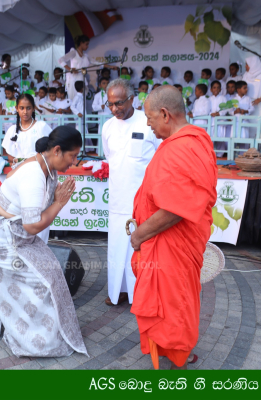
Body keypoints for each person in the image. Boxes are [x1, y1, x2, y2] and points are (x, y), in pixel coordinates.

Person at [0, 126, 87, 358]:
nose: (74, 162)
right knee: (41, 281)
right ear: (56, 150)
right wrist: (59, 203)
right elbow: (32, 226)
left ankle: (29, 328)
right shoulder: (35, 174)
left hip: (11, 232)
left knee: (52, 270)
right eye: (72, 156)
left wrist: (54, 200)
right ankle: (36, 340)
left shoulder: (45, 165)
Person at [131, 85, 217, 370]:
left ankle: (177, 359)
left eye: (150, 117)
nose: (148, 123)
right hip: (166, 243)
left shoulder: (184, 147)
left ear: (165, 114)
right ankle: (171, 349)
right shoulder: (194, 141)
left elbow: (176, 209)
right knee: (173, 301)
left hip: (170, 243)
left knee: (175, 302)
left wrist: (140, 235)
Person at [101, 78, 160, 306]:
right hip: (117, 199)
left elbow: (159, 157)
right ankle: (118, 291)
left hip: (143, 199)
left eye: (119, 103)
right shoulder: (107, 127)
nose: (115, 109)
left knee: (140, 248)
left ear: (132, 99)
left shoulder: (148, 124)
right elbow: (111, 158)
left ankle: (140, 295)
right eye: (110, 104)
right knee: (117, 247)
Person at [2, 94, 52, 172]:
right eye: (22, 108)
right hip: (18, 171)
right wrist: (19, 160)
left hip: (38, 170)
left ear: (33, 108)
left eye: (28, 108)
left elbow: (51, 150)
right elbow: (9, 156)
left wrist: (31, 161)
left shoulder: (41, 126)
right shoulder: (12, 130)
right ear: (17, 108)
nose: (25, 112)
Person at [59, 35, 117, 100]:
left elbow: (97, 63)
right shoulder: (73, 52)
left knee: (82, 100)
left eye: (88, 44)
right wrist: (70, 69)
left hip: (81, 78)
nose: (87, 46)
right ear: (81, 43)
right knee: (74, 100)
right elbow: (61, 60)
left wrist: (110, 66)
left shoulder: (86, 56)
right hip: (73, 80)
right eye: (86, 44)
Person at [209, 81, 230, 157]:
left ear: (220, 89)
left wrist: (219, 113)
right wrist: (210, 113)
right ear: (211, 89)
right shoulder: (209, 99)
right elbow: (207, 109)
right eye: (214, 87)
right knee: (211, 138)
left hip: (220, 120)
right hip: (211, 121)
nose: (216, 89)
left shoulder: (223, 98)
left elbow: (225, 109)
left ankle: (220, 154)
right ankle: (211, 153)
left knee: (220, 137)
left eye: (218, 88)